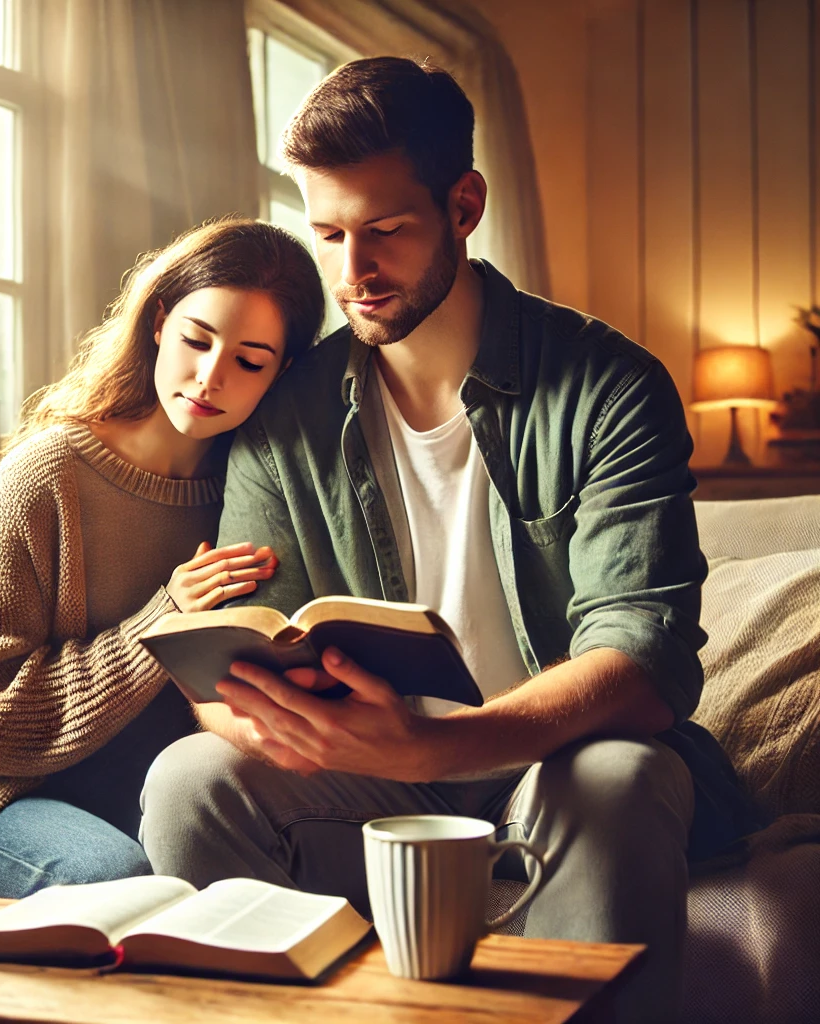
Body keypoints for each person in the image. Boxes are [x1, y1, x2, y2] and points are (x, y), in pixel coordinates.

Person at [139, 60, 759, 1022]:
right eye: (331, 234)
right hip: (367, 769)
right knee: (190, 778)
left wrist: (438, 745)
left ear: (464, 205)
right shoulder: (284, 414)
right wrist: (273, 718)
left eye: (385, 231)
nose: (353, 273)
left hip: (561, 755)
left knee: (623, 775)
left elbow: (642, 661)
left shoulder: (609, 384)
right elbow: (237, 656)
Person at [0, 217, 325, 902]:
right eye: (196, 340)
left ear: (282, 370)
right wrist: (157, 626)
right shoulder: (47, 473)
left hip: (143, 789)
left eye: (249, 360)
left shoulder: (251, 492)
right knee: (120, 880)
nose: (210, 377)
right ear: (159, 322)